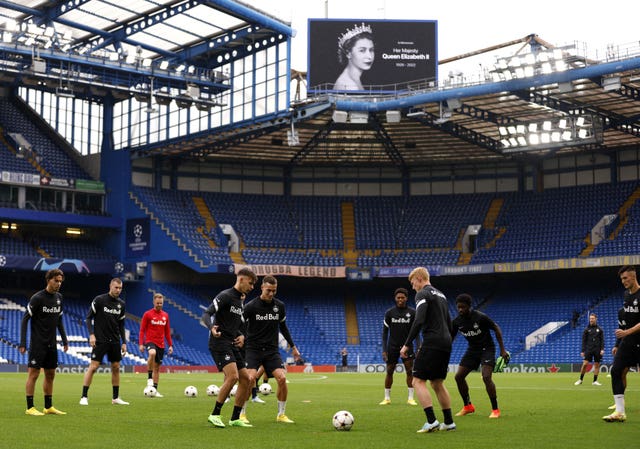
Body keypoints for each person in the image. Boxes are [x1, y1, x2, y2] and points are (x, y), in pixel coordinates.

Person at [400, 267, 456, 433]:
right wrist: (446, 341)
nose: (412, 287)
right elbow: (449, 323)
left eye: (412, 283)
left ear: (419, 278)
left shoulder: (422, 294)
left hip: (433, 340)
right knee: (437, 382)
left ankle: (431, 421)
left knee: (417, 380)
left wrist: (407, 344)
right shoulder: (442, 295)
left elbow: (419, 320)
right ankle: (449, 422)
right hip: (446, 342)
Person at [202, 267, 257, 428]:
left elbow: (239, 324)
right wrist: (211, 327)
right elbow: (206, 314)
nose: (252, 286)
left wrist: (242, 335)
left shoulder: (240, 300)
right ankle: (215, 414)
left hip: (231, 343)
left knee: (246, 379)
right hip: (219, 342)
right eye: (251, 283)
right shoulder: (225, 296)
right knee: (232, 377)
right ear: (241, 279)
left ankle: (234, 418)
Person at [243, 275, 301, 424]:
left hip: (271, 351)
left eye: (274, 291)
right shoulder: (250, 306)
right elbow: (239, 325)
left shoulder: (279, 306)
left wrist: (293, 347)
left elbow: (283, 327)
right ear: (262, 287)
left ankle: (281, 414)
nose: (271, 293)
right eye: (268, 290)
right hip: (253, 349)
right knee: (249, 380)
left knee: (282, 379)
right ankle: (241, 413)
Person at [19, 268, 69, 416]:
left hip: (52, 344)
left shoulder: (59, 298)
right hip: (37, 344)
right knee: (33, 375)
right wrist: (22, 342)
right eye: (56, 281)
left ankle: (48, 407)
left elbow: (59, 320)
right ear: (49, 280)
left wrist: (65, 340)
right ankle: (30, 407)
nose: (58, 284)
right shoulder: (37, 298)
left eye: (60, 281)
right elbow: (25, 319)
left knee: (50, 374)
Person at [451, 293, 508, 419]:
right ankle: (468, 406)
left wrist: (502, 350)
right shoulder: (456, 322)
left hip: (487, 349)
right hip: (472, 350)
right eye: (458, 307)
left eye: (463, 307)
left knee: (486, 377)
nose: (460, 310)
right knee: (459, 377)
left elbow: (496, 328)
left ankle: (495, 409)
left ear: (469, 306)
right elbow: (450, 338)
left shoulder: (480, 317)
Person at [79, 277, 129, 406]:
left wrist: (124, 342)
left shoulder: (121, 304)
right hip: (100, 340)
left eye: (120, 288)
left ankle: (116, 398)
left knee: (116, 368)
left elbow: (121, 325)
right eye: (116, 287)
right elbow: (88, 318)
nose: (118, 290)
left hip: (115, 341)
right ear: (110, 286)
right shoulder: (100, 300)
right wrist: (91, 335)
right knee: (94, 367)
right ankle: (84, 396)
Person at [603, 265, 640, 422]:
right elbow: (624, 323)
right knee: (616, 371)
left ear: (633, 276)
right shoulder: (626, 296)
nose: (623, 281)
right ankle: (619, 411)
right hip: (628, 342)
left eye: (625, 278)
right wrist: (619, 342)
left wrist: (627, 332)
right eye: (621, 279)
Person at [379, 287, 418, 406]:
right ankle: (387, 398)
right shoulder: (389, 313)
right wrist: (384, 350)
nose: (400, 299)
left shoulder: (412, 313)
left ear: (406, 298)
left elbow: (416, 332)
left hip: (407, 346)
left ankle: (411, 398)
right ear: (395, 298)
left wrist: (418, 346)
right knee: (389, 371)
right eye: (398, 297)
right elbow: (385, 333)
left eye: (403, 297)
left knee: (409, 372)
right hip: (392, 347)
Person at [139, 292, 173, 397]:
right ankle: (149, 378)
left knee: (157, 368)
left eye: (161, 303)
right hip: (150, 341)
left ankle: (154, 390)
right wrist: (141, 344)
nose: (159, 305)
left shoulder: (165, 315)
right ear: (154, 302)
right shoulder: (147, 314)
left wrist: (170, 345)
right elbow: (142, 330)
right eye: (157, 303)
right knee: (152, 353)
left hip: (161, 344)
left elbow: (167, 332)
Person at [333, 22, 374, 91]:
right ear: (348, 53)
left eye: (371, 50)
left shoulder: (354, 78)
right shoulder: (350, 86)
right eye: (362, 50)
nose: (369, 56)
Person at [574, 313, 604, 386]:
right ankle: (580, 379)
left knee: (597, 365)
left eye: (593, 318)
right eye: (590, 318)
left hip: (597, 349)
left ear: (596, 319)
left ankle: (595, 381)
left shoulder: (600, 330)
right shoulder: (586, 329)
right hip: (588, 349)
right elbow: (583, 341)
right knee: (585, 364)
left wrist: (602, 349)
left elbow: (602, 340)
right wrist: (582, 350)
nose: (591, 320)